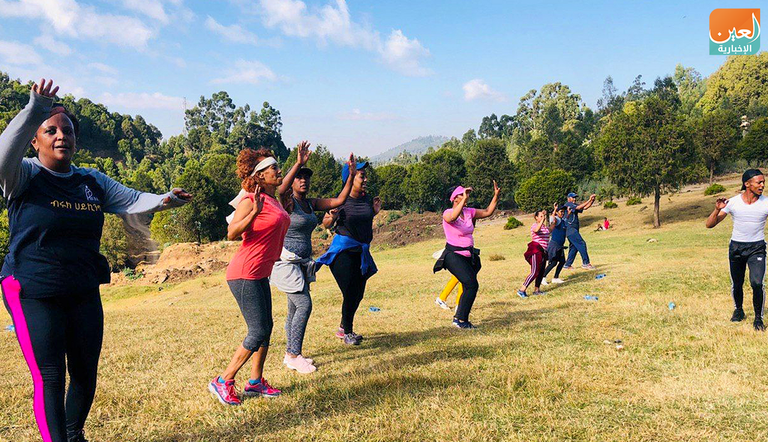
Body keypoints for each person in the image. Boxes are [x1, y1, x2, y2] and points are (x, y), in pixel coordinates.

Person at [0, 79, 191, 442]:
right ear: (34, 140)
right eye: (50, 130)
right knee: (50, 376)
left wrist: (166, 199)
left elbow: (132, 198)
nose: (61, 136)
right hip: (32, 288)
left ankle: (73, 434)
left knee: (86, 372)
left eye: (68, 130)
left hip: (82, 286)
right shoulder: (22, 175)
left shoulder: (92, 180)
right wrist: (34, 109)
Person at [209, 147, 291, 406]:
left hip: (260, 272)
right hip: (245, 272)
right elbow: (232, 233)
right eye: (274, 168)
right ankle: (223, 380)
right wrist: (254, 212)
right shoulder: (250, 200)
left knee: (266, 328)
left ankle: (255, 382)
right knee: (258, 330)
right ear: (260, 175)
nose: (279, 171)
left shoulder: (273, 199)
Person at [270, 146, 358, 372]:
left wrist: (350, 174)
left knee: (293, 309)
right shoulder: (287, 202)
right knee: (304, 305)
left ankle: (290, 353)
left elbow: (339, 200)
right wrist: (298, 163)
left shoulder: (310, 204)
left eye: (307, 178)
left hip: (303, 263)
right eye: (299, 177)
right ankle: (293, 354)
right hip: (287, 262)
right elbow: (280, 188)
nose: (303, 181)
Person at [316, 162, 381, 345]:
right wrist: (332, 216)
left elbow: (361, 220)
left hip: (361, 252)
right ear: (350, 178)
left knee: (358, 293)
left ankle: (343, 327)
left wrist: (374, 213)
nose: (366, 179)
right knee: (351, 291)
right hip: (342, 252)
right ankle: (348, 333)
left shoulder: (366, 199)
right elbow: (326, 224)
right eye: (362, 175)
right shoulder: (341, 200)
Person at [706, 169, 768, 331]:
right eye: (759, 182)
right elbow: (710, 224)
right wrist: (717, 209)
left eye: (763, 182)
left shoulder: (766, 203)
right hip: (736, 248)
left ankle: (758, 319)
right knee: (737, 283)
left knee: (756, 282)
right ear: (747, 184)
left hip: (757, 248)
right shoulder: (733, 202)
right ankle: (739, 310)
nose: (762, 185)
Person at [433, 182, 500, 329]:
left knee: (468, 284)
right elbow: (452, 218)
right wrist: (463, 199)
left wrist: (496, 195)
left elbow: (488, 211)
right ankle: (461, 320)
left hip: (469, 255)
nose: (466, 196)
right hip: (453, 255)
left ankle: (459, 317)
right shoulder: (447, 212)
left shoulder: (470, 212)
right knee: (471, 284)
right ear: (454, 198)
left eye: (467, 194)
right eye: (462, 194)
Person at [517, 209, 550, 298]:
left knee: (541, 271)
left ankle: (537, 290)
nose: (543, 217)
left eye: (543, 216)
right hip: (536, 250)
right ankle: (521, 290)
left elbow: (550, 229)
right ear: (536, 218)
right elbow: (536, 230)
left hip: (543, 251)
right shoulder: (535, 225)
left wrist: (554, 212)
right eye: (540, 216)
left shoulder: (545, 227)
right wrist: (542, 220)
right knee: (535, 271)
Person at [562, 192, 596, 270]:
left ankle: (567, 265)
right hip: (570, 229)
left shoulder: (573, 206)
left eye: (575, 198)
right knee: (582, 243)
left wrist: (592, 201)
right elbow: (578, 207)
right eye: (573, 197)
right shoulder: (568, 204)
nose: (574, 199)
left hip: (573, 230)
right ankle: (586, 263)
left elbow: (584, 208)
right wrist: (589, 199)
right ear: (569, 198)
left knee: (574, 247)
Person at [542, 203, 567, 286]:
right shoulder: (557, 219)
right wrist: (555, 209)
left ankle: (555, 278)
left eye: (563, 211)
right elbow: (553, 219)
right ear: (557, 212)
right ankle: (542, 277)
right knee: (553, 263)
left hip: (560, 245)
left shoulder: (563, 220)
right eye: (561, 211)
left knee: (562, 261)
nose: (562, 213)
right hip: (554, 245)